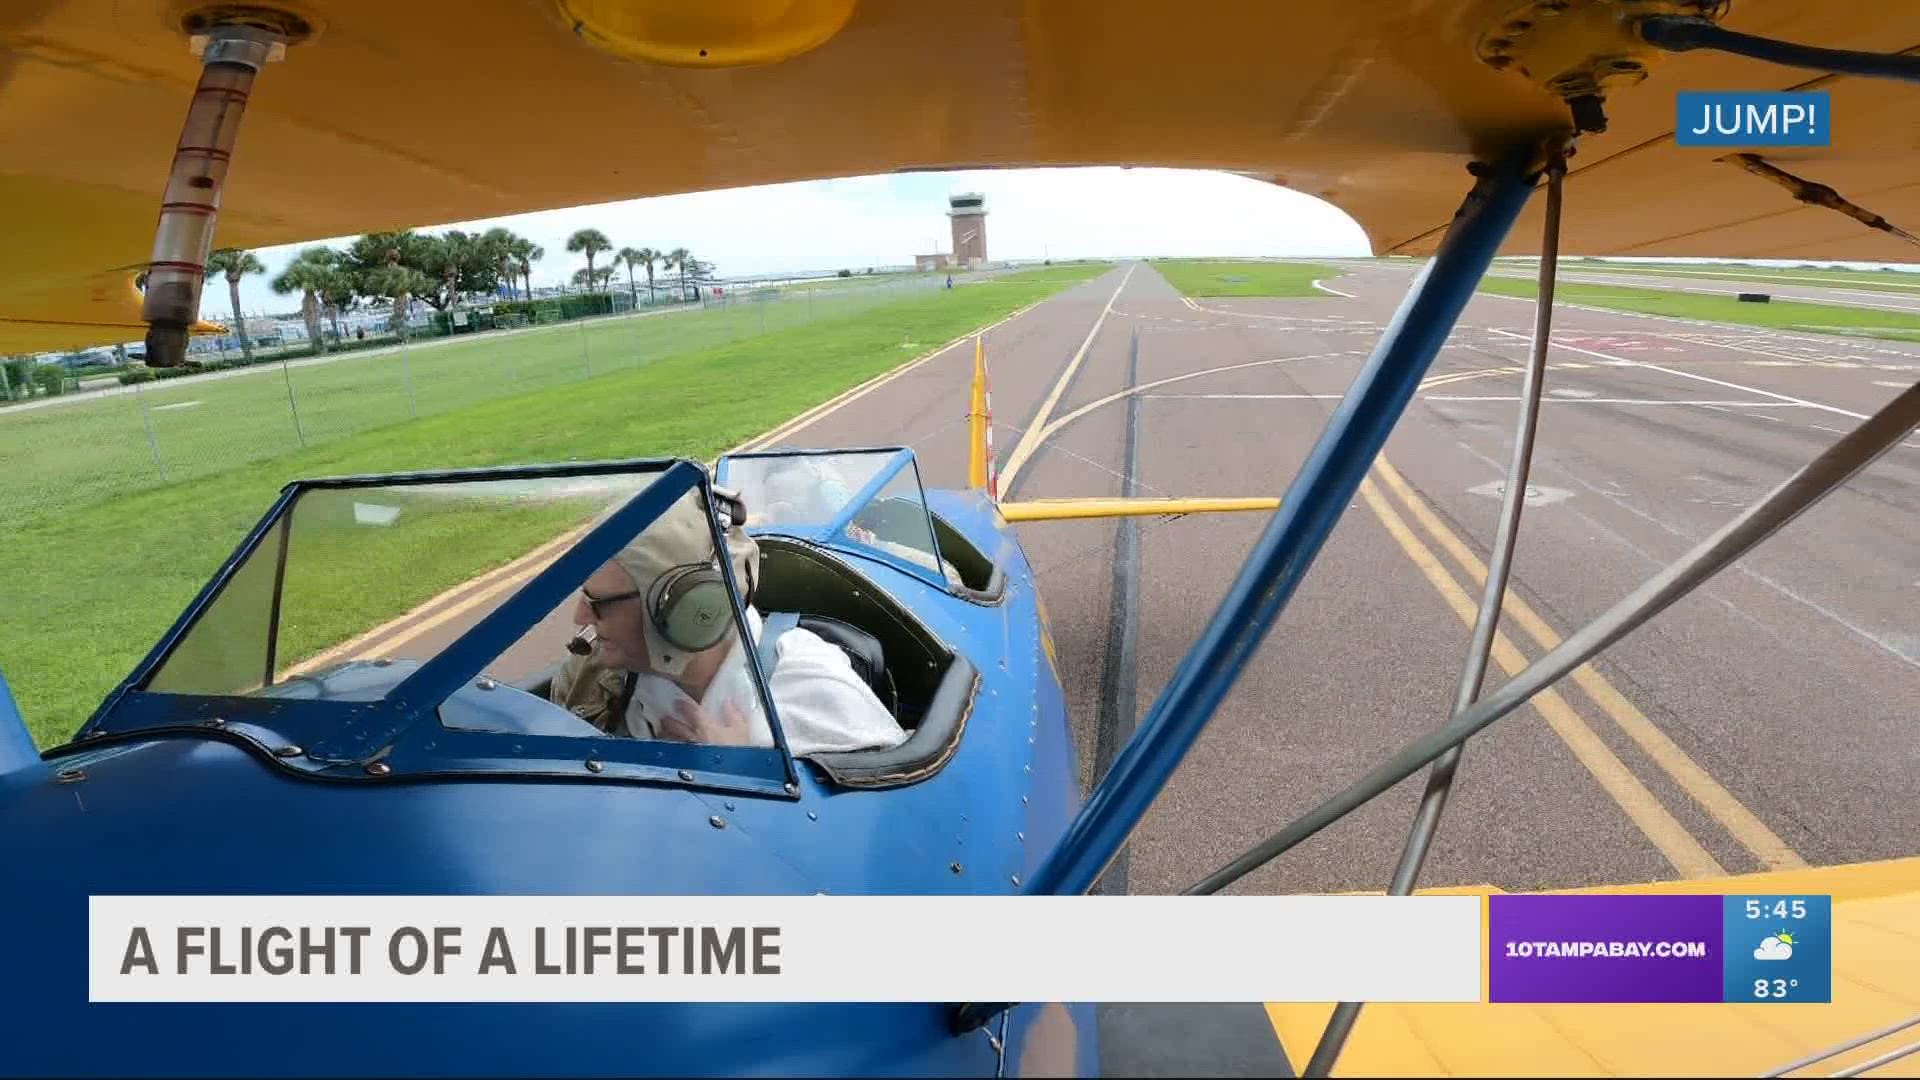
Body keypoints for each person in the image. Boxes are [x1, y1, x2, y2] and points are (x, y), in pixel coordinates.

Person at [549, 490, 908, 758]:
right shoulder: (590, 677)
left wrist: (749, 773)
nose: (581, 618)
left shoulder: (817, 693)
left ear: (688, 609)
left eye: (600, 605)